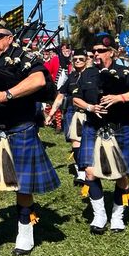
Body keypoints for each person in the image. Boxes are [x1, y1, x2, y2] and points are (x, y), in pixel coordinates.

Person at [0, 17, 60, 256]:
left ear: (10, 37)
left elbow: (38, 81)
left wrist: (5, 95)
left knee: (22, 184)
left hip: (20, 128)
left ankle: (25, 235)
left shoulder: (25, 56)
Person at [72, 33, 129, 234]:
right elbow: (75, 99)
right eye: (94, 51)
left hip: (120, 128)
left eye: (101, 50)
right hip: (93, 128)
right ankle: (100, 215)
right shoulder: (87, 74)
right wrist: (90, 107)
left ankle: (117, 215)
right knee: (89, 171)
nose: (96, 54)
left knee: (122, 175)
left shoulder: (123, 72)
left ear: (112, 52)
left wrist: (119, 98)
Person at [46, 48, 88, 185]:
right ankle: (81, 172)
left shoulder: (93, 75)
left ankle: (91, 168)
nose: (78, 61)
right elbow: (60, 96)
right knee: (75, 141)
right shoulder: (71, 77)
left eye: (81, 59)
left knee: (88, 142)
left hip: (89, 111)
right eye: (75, 59)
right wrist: (51, 114)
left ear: (87, 60)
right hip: (72, 111)